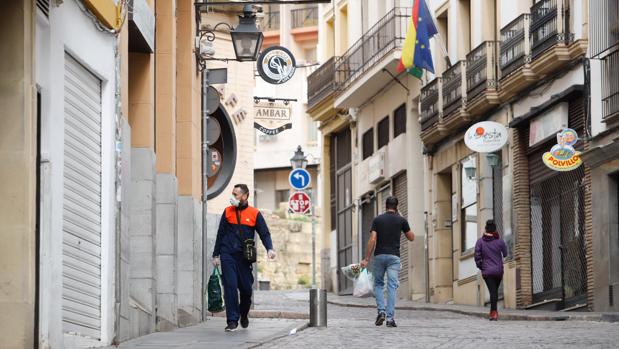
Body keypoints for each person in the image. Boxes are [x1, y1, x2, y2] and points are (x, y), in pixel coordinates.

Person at [212, 184, 277, 332]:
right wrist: (216, 254)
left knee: (247, 291)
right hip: (228, 254)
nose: (233, 197)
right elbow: (220, 234)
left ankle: (244, 314)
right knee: (230, 287)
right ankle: (232, 321)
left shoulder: (254, 213)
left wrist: (270, 249)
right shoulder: (227, 212)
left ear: (245, 196)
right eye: (232, 194)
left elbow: (264, 233)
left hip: (245, 258)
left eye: (236, 195)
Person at [360, 196, 414, 328]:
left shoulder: (378, 220)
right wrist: (401, 219)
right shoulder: (401, 220)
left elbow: (372, 239)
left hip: (379, 256)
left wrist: (366, 258)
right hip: (394, 257)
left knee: (378, 284)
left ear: (386, 206)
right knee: (391, 286)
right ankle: (390, 319)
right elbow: (411, 237)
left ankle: (381, 311)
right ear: (397, 206)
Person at [474, 219, 508, 321]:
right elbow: (505, 253)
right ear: (495, 230)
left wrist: (481, 266)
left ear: (486, 229)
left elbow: (477, 256)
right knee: (494, 292)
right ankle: (493, 312)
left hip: (487, 272)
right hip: (498, 271)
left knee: (493, 292)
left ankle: (493, 313)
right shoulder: (500, 241)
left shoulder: (480, 242)